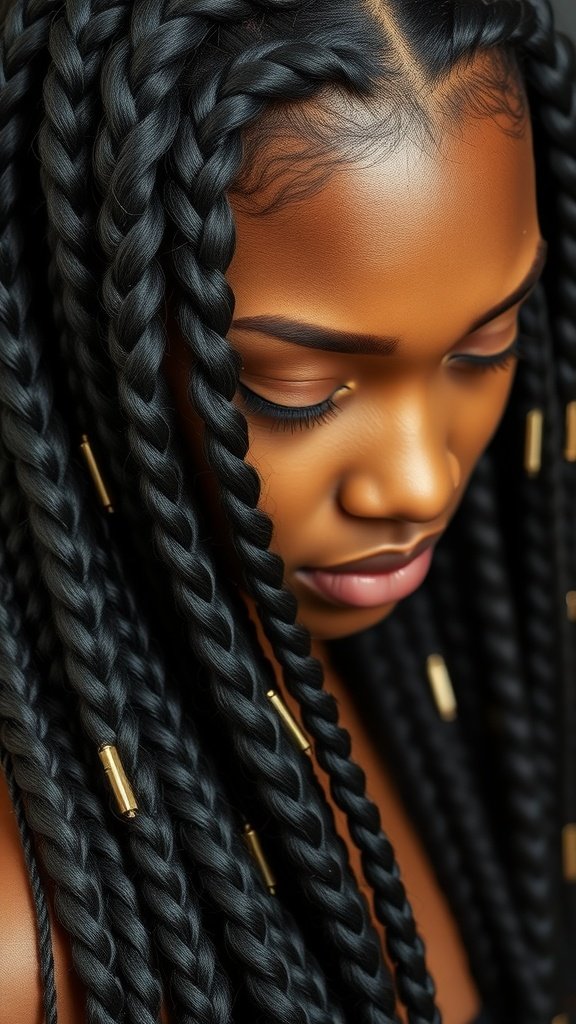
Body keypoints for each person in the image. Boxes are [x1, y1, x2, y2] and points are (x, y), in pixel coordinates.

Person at [0, 0, 574, 1021]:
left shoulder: (453, 709)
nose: (420, 482)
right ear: (78, 327)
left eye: (482, 347)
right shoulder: (29, 947)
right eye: (296, 388)